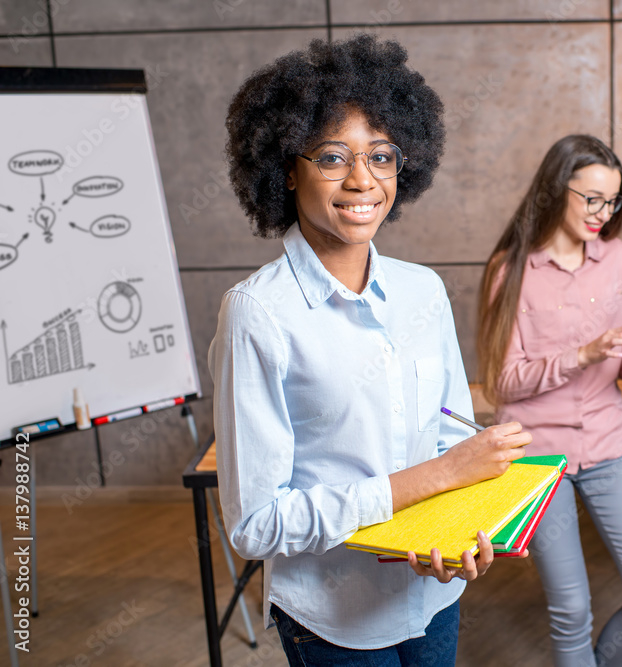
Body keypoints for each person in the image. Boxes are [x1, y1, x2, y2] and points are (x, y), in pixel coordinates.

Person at [210, 35, 532, 667]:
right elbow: (254, 525)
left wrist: (459, 528)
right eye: (333, 156)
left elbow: (446, 438)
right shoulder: (257, 314)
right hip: (334, 620)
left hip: (433, 598)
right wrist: (427, 482)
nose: (362, 179)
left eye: (381, 155)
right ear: (286, 167)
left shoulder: (423, 290)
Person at [477, 134, 622, 667]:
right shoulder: (510, 269)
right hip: (537, 457)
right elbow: (503, 383)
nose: (603, 213)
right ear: (555, 189)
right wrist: (582, 354)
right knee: (571, 609)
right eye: (592, 199)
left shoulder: (619, 259)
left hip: (607, 443)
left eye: (612, 201)